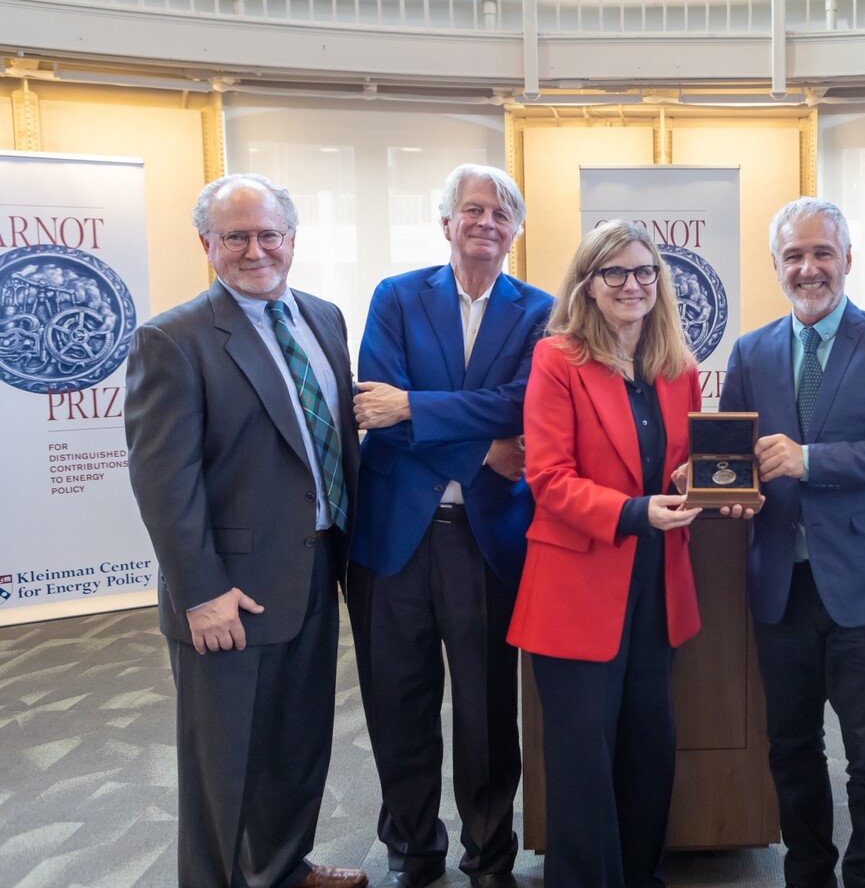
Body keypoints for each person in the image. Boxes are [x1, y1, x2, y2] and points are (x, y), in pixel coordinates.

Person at [125, 174, 366, 888]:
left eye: (269, 234)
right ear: (207, 245)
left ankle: (284, 867)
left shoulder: (324, 318)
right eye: (236, 236)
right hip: (228, 593)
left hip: (316, 570)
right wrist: (202, 593)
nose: (255, 250)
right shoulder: (174, 339)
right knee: (221, 767)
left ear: (292, 240)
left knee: (297, 744)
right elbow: (165, 483)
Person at [508, 220, 741, 888]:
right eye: (614, 272)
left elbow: (679, 464)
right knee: (583, 759)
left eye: (644, 272)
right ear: (588, 283)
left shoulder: (678, 369)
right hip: (576, 585)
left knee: (648, 750)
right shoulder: (558, 359)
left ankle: (641, 877)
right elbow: (548, 481)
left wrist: (693, 482)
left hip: (655, 583)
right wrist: (636, 511)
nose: (632, 285)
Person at [718, 197, 865, 888]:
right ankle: (807, 873)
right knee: (790, 747)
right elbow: (728, 452)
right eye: (793, 256)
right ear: (776, 265)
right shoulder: (751, 350)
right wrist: (727, 489)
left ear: (848, 259)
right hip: (780, 585)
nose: (808, 268)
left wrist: (810, 460)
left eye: (822, 253)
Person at [346, 165, 552, 888]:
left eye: (501, 213)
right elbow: (377, 404)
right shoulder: (397, 297)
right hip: (394, 536)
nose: (486, 222)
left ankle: (489, 854)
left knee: (487, 707)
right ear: (446, 223)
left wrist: (419, 407)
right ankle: (413, 847)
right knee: (398, 702)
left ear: (515, 230)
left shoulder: (542, 311)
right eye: (472, 209)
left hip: (487, 538)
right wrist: (481, 445)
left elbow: (524, 404)